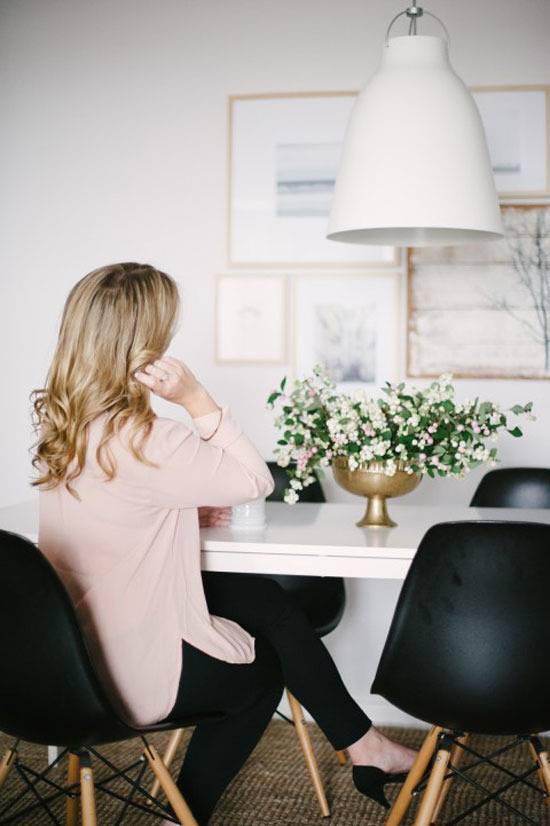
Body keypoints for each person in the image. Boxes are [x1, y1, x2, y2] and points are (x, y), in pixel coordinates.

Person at [32, 262, 416, 825]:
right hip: (122, 668)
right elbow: (257, 482)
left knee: (263, 603)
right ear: (145, 344)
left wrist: (180, 506)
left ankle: (364, 745)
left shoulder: (64, 426)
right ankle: (183, 815)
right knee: (259, 678)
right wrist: (196, 399)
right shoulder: (147, 439)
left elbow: (118, 516)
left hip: (58, 657)